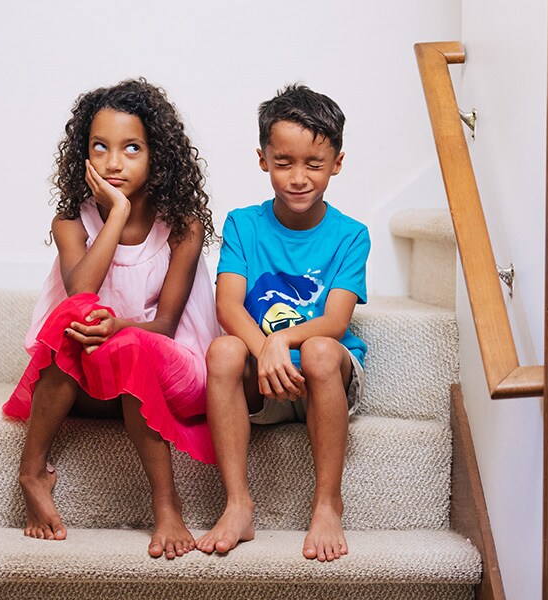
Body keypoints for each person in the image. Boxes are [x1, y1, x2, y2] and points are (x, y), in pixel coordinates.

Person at [2, 78, 221, 560]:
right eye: (99, 147)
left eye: (131, 148)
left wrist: (119, 328)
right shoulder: (70, 222)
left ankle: (166, 504)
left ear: (157, 155)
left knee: (126, 345)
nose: (113, 162)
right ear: (83, 153)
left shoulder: (182, 225)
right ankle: (31, 472)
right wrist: (117, 212)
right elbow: (81, 291)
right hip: (91, 383)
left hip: (169, 373)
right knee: (75, 315)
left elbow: (164, 326)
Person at [195, 84, 370, 562]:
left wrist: (281, 340)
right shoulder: (243, 224)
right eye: (283, 162)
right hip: (264, 383)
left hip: (323, 378)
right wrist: (265, 348)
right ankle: (237, 504)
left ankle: (328, 502)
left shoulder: (351, 235)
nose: (298, 178)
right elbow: (228, 307)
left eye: (313, 164)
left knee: (315, 351)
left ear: (336, 162)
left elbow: (334, 322)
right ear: (262, 159)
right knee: (223, 349)